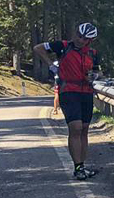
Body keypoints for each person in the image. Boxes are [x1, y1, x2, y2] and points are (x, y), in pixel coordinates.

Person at [33, 23, 102, 180]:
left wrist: (94, 76)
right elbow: (38, 48)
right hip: (68, 91)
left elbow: (98, 71)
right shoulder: (63, 46)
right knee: (75, 127)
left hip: (86, 92)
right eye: (78, 35)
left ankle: (82, 166)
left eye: (84, 38)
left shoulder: (93, 53)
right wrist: (51, 66)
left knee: (84, 128)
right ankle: (77, 167)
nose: (80, 39)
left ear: (90, 40)